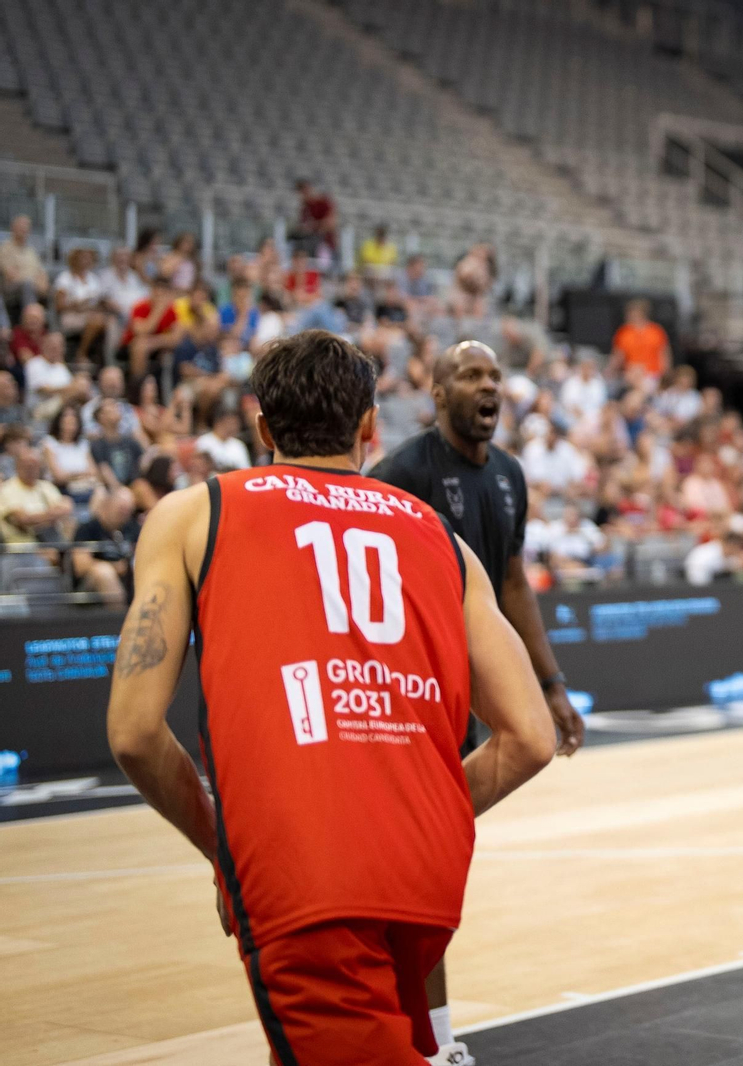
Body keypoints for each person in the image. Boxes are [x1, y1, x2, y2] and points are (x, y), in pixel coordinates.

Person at [104, 329, 556, 1065]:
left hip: (305, 869)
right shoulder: (442, 537)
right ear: (369, 427)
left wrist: (226, 848)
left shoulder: (194, 513)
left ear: (262, 428)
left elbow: (132, 732)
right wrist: (429, 812)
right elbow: (530, 737)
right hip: (426, 868)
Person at [368, 339, 586, 1064]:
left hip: (471, 694)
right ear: (437, 393)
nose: (487, 385)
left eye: (494, 375)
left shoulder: (510, 476)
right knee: (424, 866)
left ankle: (423, 1034)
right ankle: (431, 1043)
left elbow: (514, 583)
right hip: (413, 697)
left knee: (430, 866)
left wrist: (550, 685)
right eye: (470, 375)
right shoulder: (403, 473)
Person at [71, 485, 139, 604]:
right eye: (121, 509)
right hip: (91, 587)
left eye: (128, 511)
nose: (125, 514)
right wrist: (116, 567)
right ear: (107, 504)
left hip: (129, 581)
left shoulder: (132, 528)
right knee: (103, 572)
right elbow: (80, 566)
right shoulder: (87, 528)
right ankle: (118, 619)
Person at [0, 443, 72, 544]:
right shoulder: (7, 489)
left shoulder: (47, 486)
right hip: (21, 546)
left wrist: (36, 519)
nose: (30, 469)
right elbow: (23, 519)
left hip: (52, 542)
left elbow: (66, 509)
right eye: (26, 465)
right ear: (17, 466)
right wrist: (51, 516)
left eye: (34, 465)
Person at [54, 247, 110, 363]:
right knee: (97, 321)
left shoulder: (93, 279)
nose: (86, 261)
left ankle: (106, 359)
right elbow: (59, 306)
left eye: (89, 258)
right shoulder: (65, 278)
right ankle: (81, 353)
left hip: (91, 313)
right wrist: (77, 305)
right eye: (83, 258)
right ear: (74, 259)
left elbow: (100, 301)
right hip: (71, 315)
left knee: (109, 322)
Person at [0, 215, 49, 320]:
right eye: (21, 227)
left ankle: (53, 329)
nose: (24, 230)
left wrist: (43, 285)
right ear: (13, 228)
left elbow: (41, 273)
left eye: (26, 227)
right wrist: (35, 282)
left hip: (33, 285)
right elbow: (11, 275)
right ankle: (32, 318)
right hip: (11, 288)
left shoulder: (31, 251)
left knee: (53, 289)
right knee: (27, 284)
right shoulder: (5, 249)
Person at [610, 298, 670, 380]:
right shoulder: (624, 332)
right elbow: (618, 356)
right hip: (631, 374)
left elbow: (663, 355)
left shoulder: (656, 331)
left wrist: (665, 376)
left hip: (653, 374)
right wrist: (610, 371)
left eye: (633, 313)